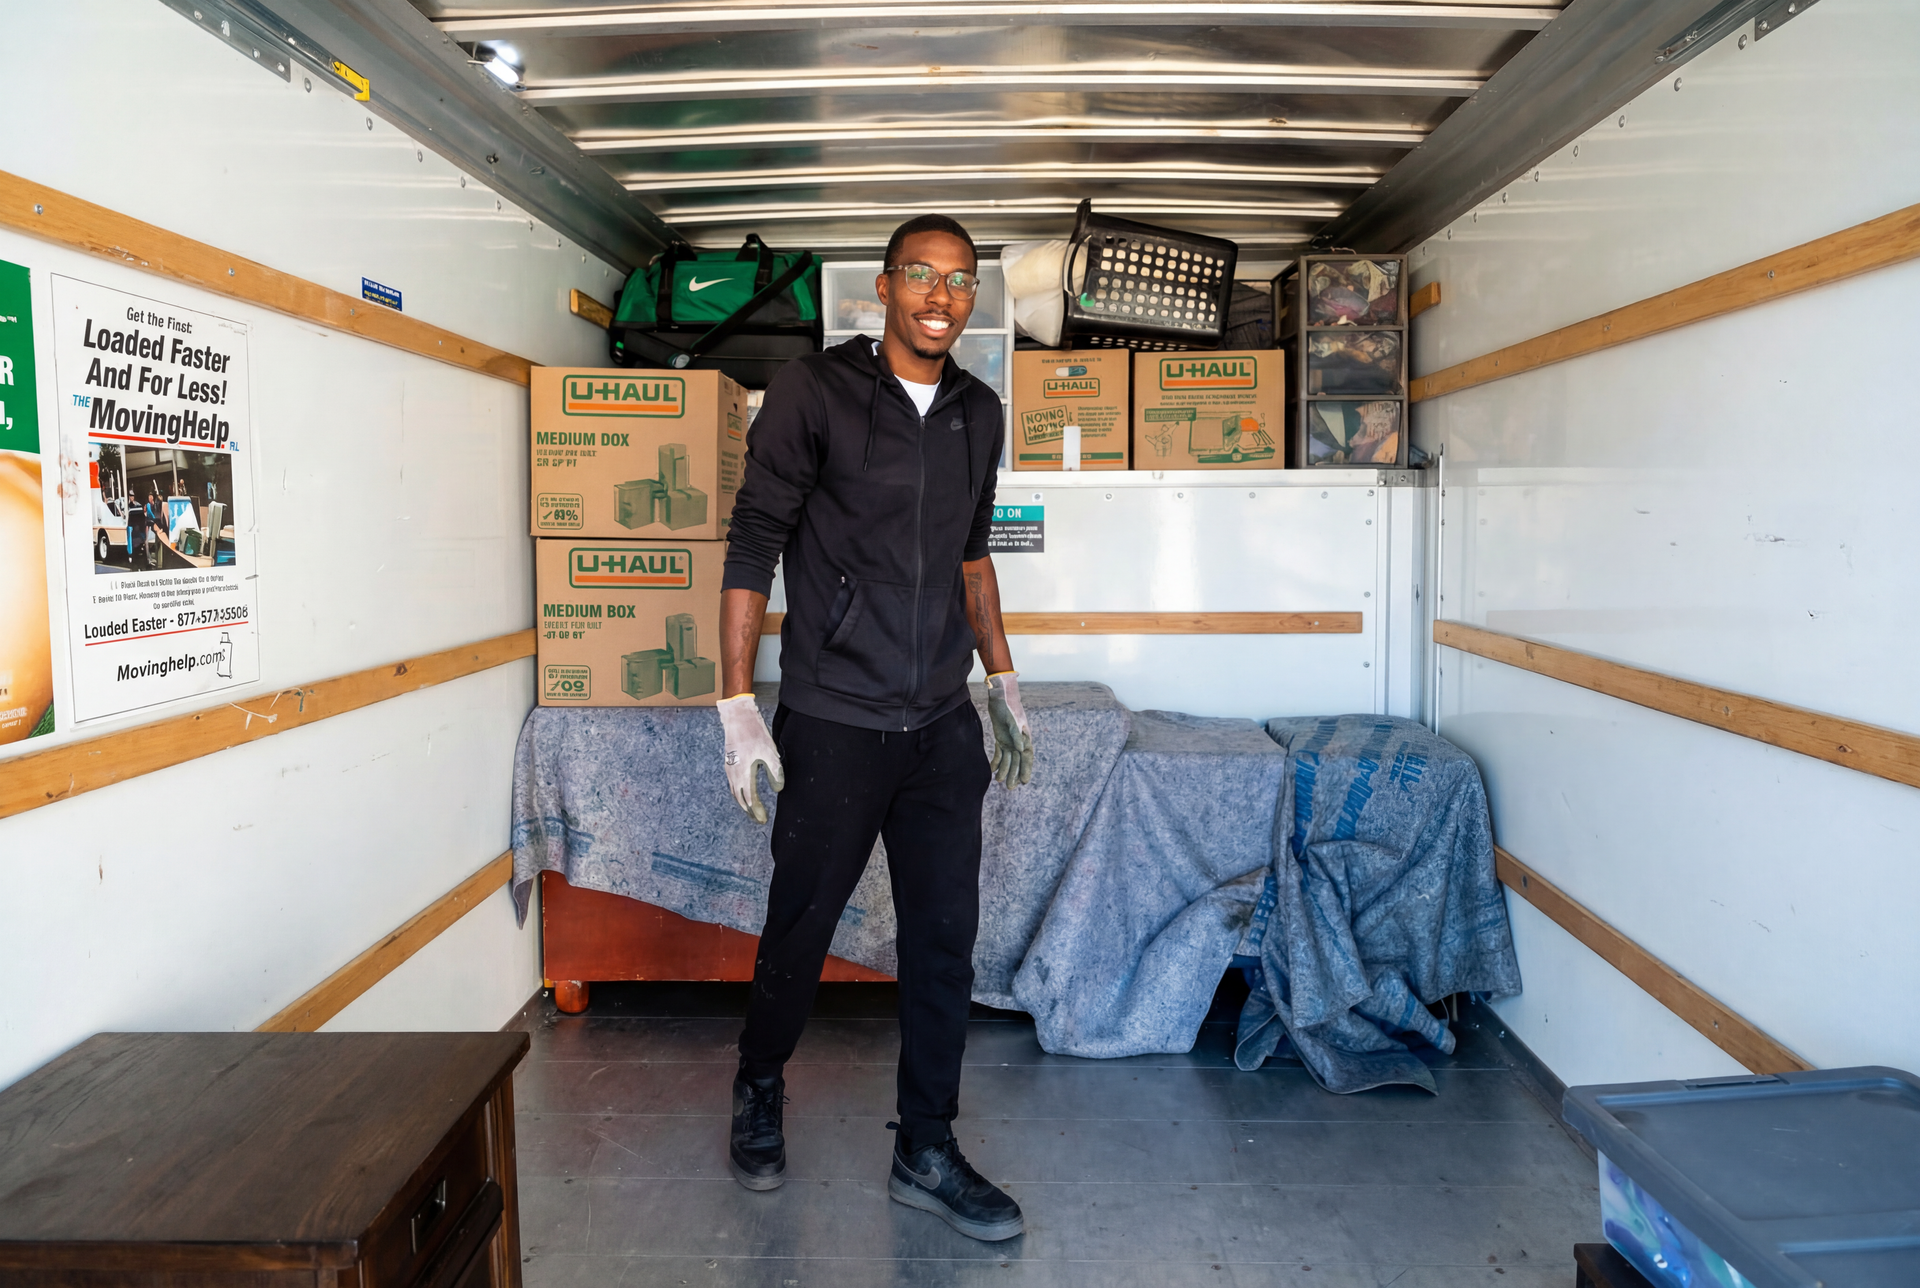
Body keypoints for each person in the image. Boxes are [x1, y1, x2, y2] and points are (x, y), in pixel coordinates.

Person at [714, 213, 1036, 1243]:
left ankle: (925, 1149)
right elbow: (754, 541)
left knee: (945, 941)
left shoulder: (980, 413)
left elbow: (972, 557)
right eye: (922, 277)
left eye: (961, 281)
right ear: (884, 290)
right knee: (801, 928)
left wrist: (1003, 681)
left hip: (940, 723)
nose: (942, 297)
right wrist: (735, 706)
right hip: (837, 717)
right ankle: (759, 1080)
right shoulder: (815, 392)